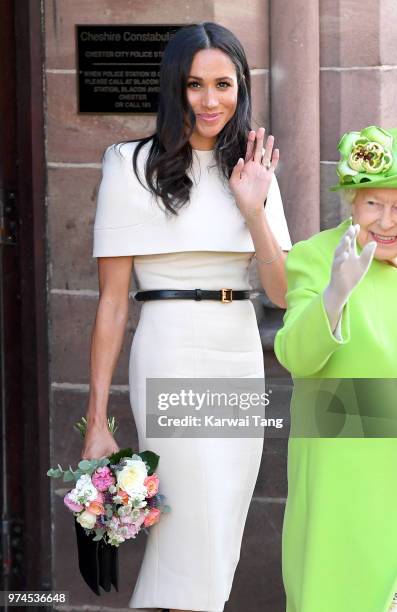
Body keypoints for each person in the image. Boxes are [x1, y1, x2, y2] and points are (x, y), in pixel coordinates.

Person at [82, 22, 291, 612]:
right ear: (174, 87)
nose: (209, 100)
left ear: (241, 87)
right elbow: (113, 302)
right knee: (192, 526)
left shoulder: (254, 167)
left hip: (238, 349)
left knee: (219, 529)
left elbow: (279, 292)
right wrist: (96, 419)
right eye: (194, 84)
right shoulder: (129, 164)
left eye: (223, 84)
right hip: (171, 346)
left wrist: (254, 209)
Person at [274, 125, 397, 612]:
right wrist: (334, 295)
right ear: (350, 201)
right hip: (344, 469)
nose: (387, 221)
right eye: (373, 205)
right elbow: (295, 356)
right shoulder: (317, 256)